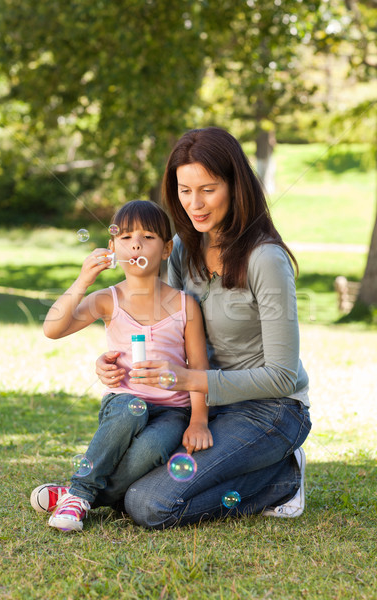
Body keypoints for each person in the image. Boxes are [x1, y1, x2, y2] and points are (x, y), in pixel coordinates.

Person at [95, 126, 311, 528]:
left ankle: (283, 477)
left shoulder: (266, 259)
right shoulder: (182, 249)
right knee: (142, 465)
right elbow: (164, 331)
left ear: (235, 185)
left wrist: (192, 380)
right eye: (184, 190)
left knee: (148, 504)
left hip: (270, 411)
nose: (195, 204)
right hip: (202, 408)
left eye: (208, 189)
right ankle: (81, 490)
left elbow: (283, 377)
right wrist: (113, 361)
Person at [30, 200, 212, 531]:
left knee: (154, 446)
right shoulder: (107, 299)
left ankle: (77, 497)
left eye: (148, 237)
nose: (136, 244)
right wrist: (83, 279)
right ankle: (82, 491)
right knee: (132, 408)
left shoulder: (186, 306)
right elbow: (52, 329)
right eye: (126, 237)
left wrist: (198, 420)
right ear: (113, 248)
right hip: (123, 402)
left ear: (167, 248)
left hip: (172, 412)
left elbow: (199, 366)